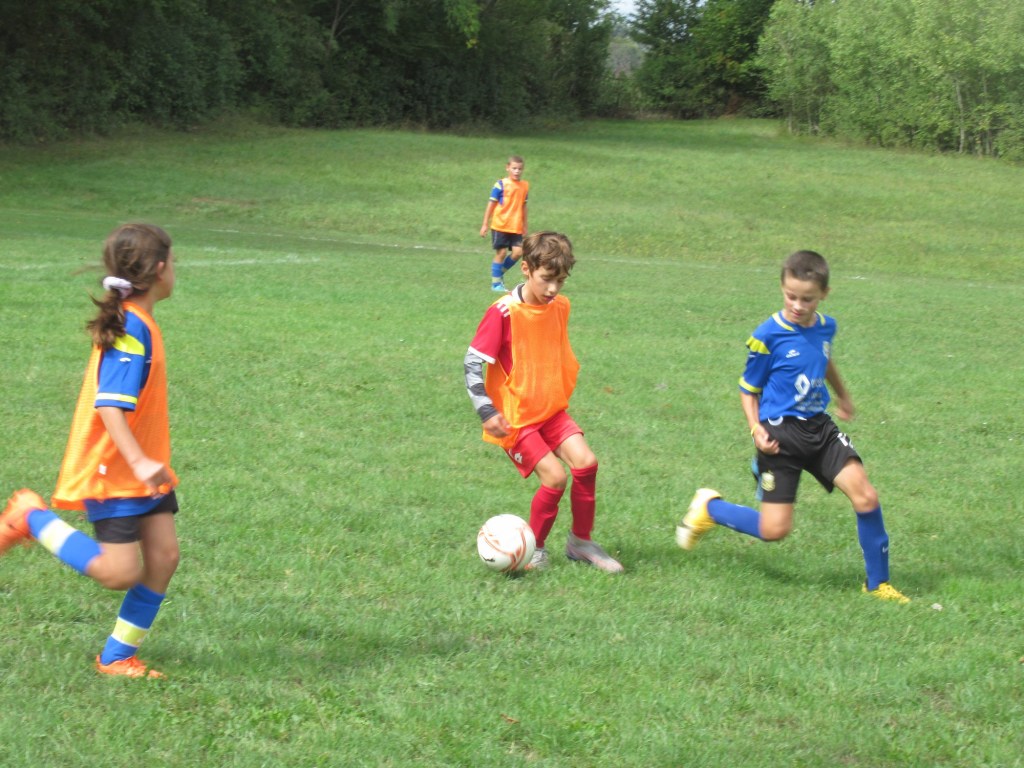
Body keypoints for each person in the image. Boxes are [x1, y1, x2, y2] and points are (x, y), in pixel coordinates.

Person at [0, 222, 181, 677]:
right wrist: (138, 460)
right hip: (117, 469)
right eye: (174, 263)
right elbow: (110, 406)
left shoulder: (140, 322)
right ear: (160, 269)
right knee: (119, 573)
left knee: (163, 558)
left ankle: (118, 657)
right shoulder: (131, 329)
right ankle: (29, 517)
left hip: (143, 470)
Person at [677, 249, 909, 603]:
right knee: (775, 530)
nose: (798, 305)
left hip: (820, 429)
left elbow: (824, 359)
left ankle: (878, 584)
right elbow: (748, 389)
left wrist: (843, 396)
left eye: (807, 299)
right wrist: (755, 429)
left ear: (824, 294)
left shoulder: (826, 327)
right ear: (782, 289)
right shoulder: (767, 335)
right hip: (779, 435)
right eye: (791, 296)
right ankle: (710, 508)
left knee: (866, 496)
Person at [464, 231, 623, 573]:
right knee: (554, 477)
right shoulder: (504, 312)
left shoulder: (560, 306)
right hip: (516, 419)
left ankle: (581, 543)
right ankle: (532, 550)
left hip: (550, 412)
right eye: (546, 279)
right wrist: (486, 410)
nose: (553, 289)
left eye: (560, 281)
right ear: (526, 268)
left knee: (586, 464)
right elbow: (472, 363)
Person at [479, 155, 529, 292]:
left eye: (519, 169)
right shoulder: (500, 184)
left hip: (516, 226)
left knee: (518, 252)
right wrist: (485, 224)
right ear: (507, 168)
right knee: (501, 253)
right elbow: (491, 204)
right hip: (500, 225)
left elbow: (524, 206)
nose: (517, 171)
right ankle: (496, 285)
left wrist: (525, 225)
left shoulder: (524, 186)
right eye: (514, 168)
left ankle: (497, 274)